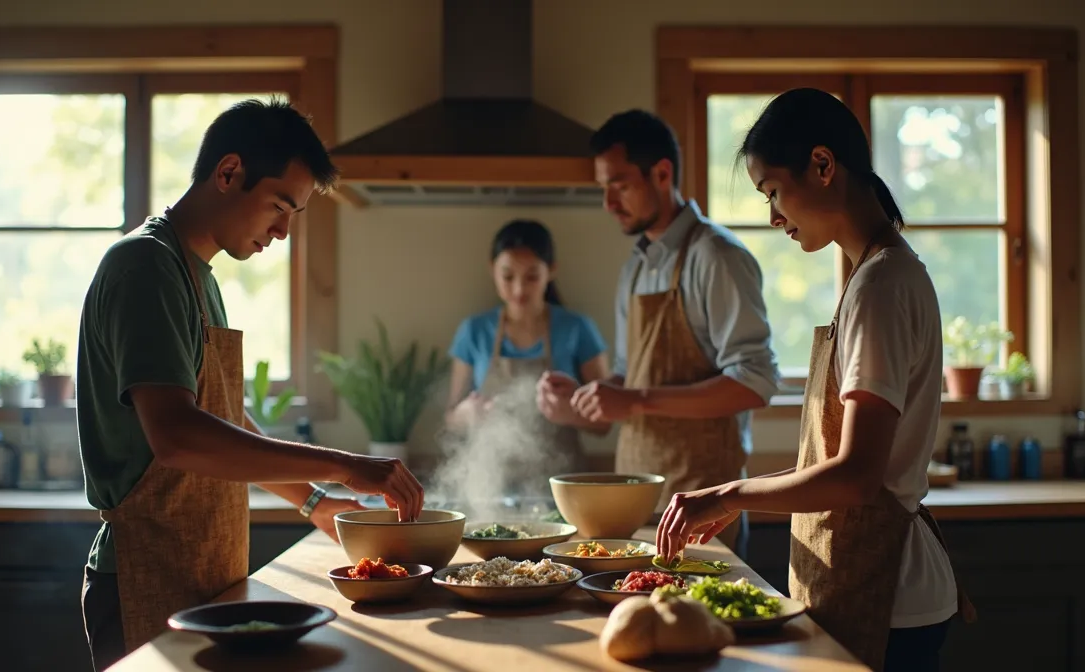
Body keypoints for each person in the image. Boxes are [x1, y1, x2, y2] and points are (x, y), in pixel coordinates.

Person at [76, 98, 424, 671]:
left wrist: (314, 500)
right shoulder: (145, 266)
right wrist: (342, 464)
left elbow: (223, 415)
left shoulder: (194, 273)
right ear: (229, 172)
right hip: (144, 574)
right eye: (280, 207)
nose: (284, 232)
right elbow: (177, 435)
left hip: (200, 572)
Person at [654, 88, 975, 672]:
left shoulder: (881, 287)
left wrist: (728, 493)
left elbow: (855, 477)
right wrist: (740, 495)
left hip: (891, 594)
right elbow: (840, 457)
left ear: (823, 166)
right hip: (876, 581)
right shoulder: (875, 277)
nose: (774, 217)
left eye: (773, 191)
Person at [552, 109, 780, 555]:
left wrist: (635, 400)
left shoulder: (717, 257)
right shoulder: (636, 267)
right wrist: (584, 400)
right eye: (603, 188)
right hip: (634, 508)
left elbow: (755, 384)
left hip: (703, 513)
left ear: (662, 173)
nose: (608, 203)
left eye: (618, 185)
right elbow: (628, 376)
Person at [446, 219, 612, 483]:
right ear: (492, 270)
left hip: (563, 485)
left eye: (532, 276)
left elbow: (605, 423)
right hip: (491, 484)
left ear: (552, 270)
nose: (519, 289)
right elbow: (451, 417)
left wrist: (568, 412)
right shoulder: (474, 331)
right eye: (508, 276)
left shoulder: (578, 329)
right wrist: (468, 413)